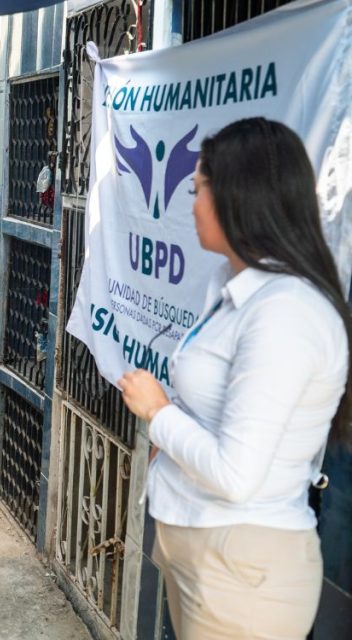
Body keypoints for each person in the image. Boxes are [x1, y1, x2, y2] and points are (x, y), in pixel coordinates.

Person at [118, 118, 352, 639]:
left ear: (237, 197)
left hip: (242, 572)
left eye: (198, 189)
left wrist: (159, 414)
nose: (192, 203)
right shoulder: (233, 285)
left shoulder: (286, 313)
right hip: (206, 554)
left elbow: (237, 474)